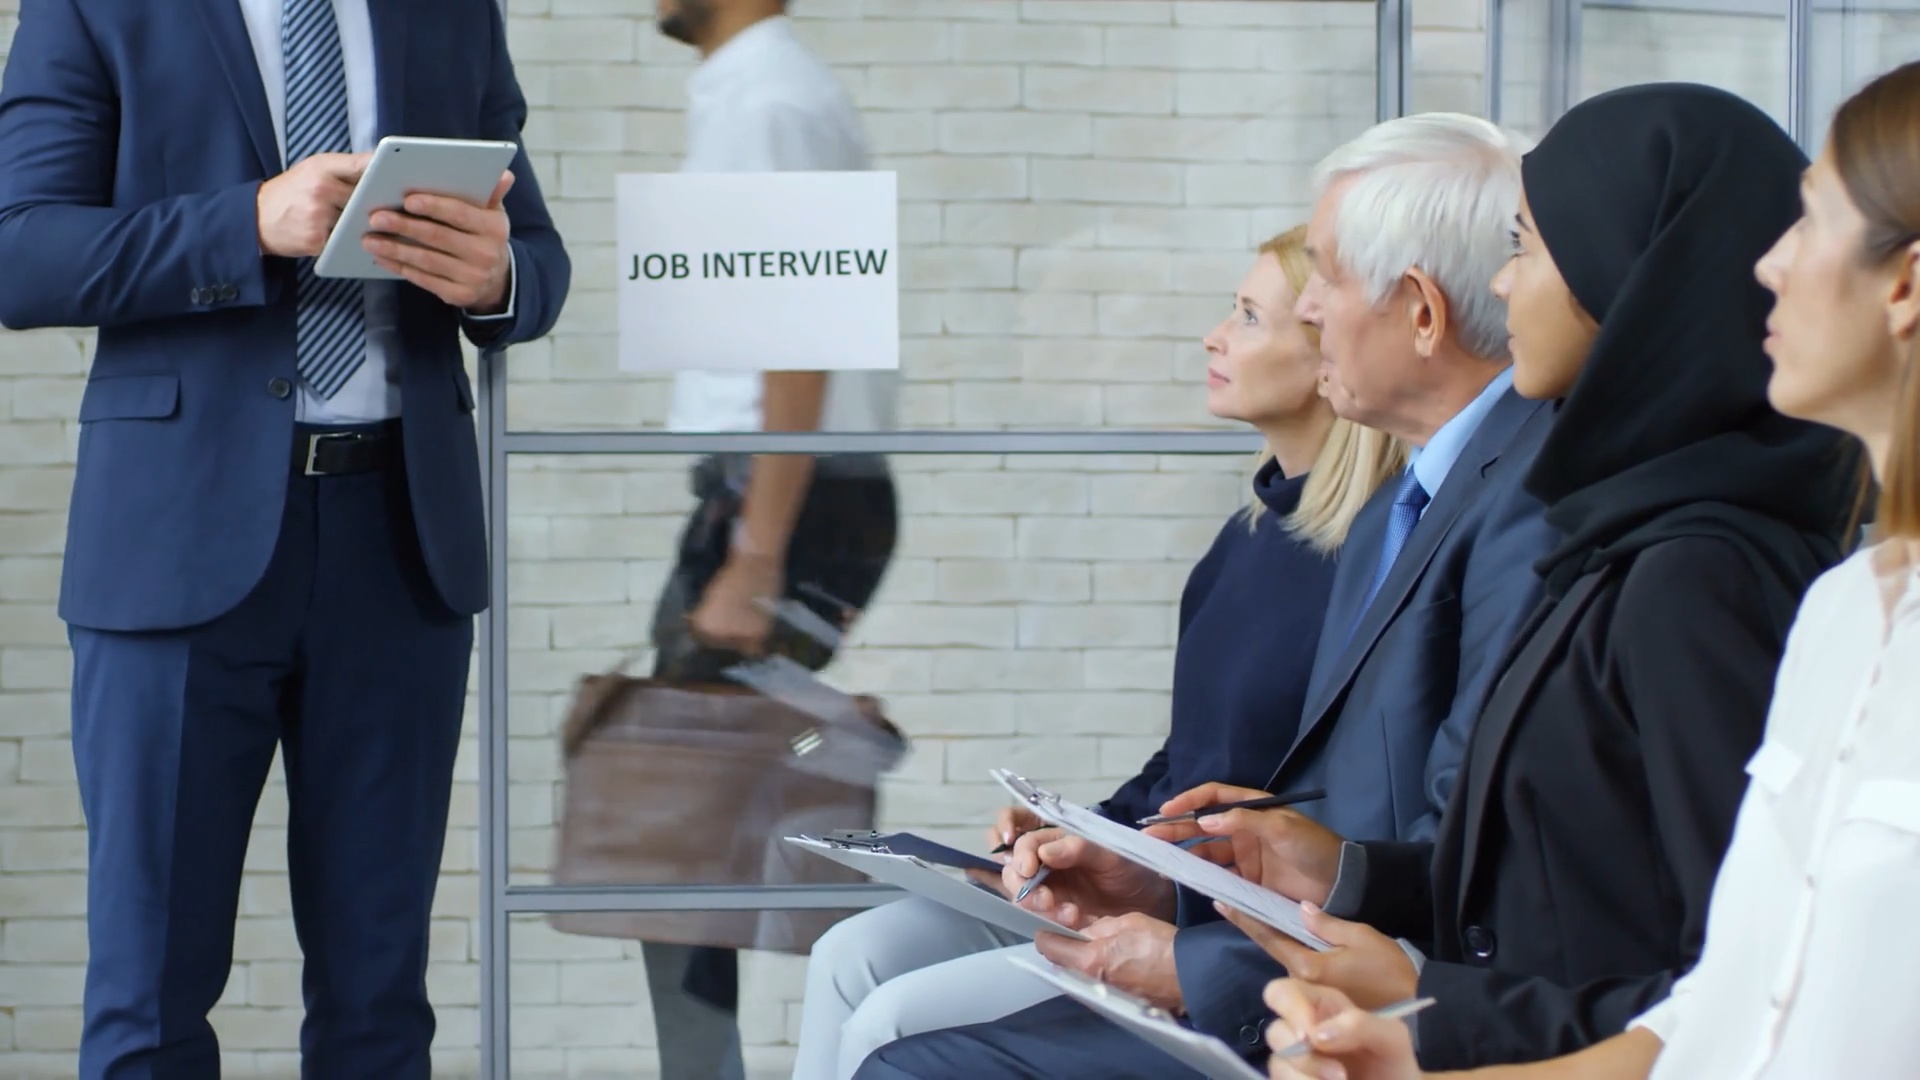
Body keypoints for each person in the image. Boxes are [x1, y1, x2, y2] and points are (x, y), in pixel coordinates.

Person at [1250, 59, 1920, 1080]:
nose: (1770, 264)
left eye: (1525, 246)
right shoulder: (1810, 597)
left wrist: (1432, 1010)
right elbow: (1733, 991)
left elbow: (1714, 980)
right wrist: (1351, 892)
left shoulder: (1699, 573)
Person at [855, 113, 1560, 1080]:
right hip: (1299, 962)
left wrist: (1195, 951)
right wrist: (1153, 865)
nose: (1312, 313)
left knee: (903, 1051)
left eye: (1327, 279)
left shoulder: (1504, 508)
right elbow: (1352, 811)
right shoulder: (1408, 506)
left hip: (1380, 1007)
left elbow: (1467, 861)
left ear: (1423, 313)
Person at [0, 0, 571, 1076]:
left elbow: (534, 259)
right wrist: (249, 220)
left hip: (401, 551)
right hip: (172, 554)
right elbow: (21, 253)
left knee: (380, 1003)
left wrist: (498, 281)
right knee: (149, 1000)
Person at [790, 225, 1404, 1079]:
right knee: (853, 954)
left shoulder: (1370, 563)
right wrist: (1073, 836)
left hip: (1213, 919)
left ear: (1322, 349)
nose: (1214, 336)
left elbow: (1320, 809)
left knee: (893, 1015)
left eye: (1250, 318)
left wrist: (1138, 874)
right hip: (1143, 877)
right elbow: (1184, 757)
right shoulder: (1246, 536)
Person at [628, 2, 899, 1079]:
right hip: (770, 496)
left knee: (666, 839)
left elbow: (803, 330)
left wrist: (754, 555)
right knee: (681, 820)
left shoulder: (770, 100)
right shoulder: (752, 91)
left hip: (785, 500)